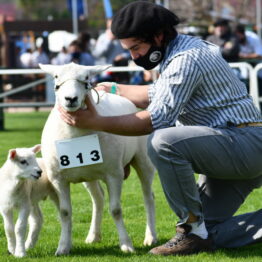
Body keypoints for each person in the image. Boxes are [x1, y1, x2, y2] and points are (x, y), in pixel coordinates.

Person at [58, 1, 262, 256]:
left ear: (158, 35)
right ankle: (196, 232)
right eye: (128, 50)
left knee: (162, 141)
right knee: (210, 231)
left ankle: (190, 231)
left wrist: (96, 122)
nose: (134, 57)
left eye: (136, 47)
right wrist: (112, 88)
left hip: (242, 145)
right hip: (239, 145)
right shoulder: (182, 50)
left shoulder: (184, 59)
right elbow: (156, 93)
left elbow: (155, 119)